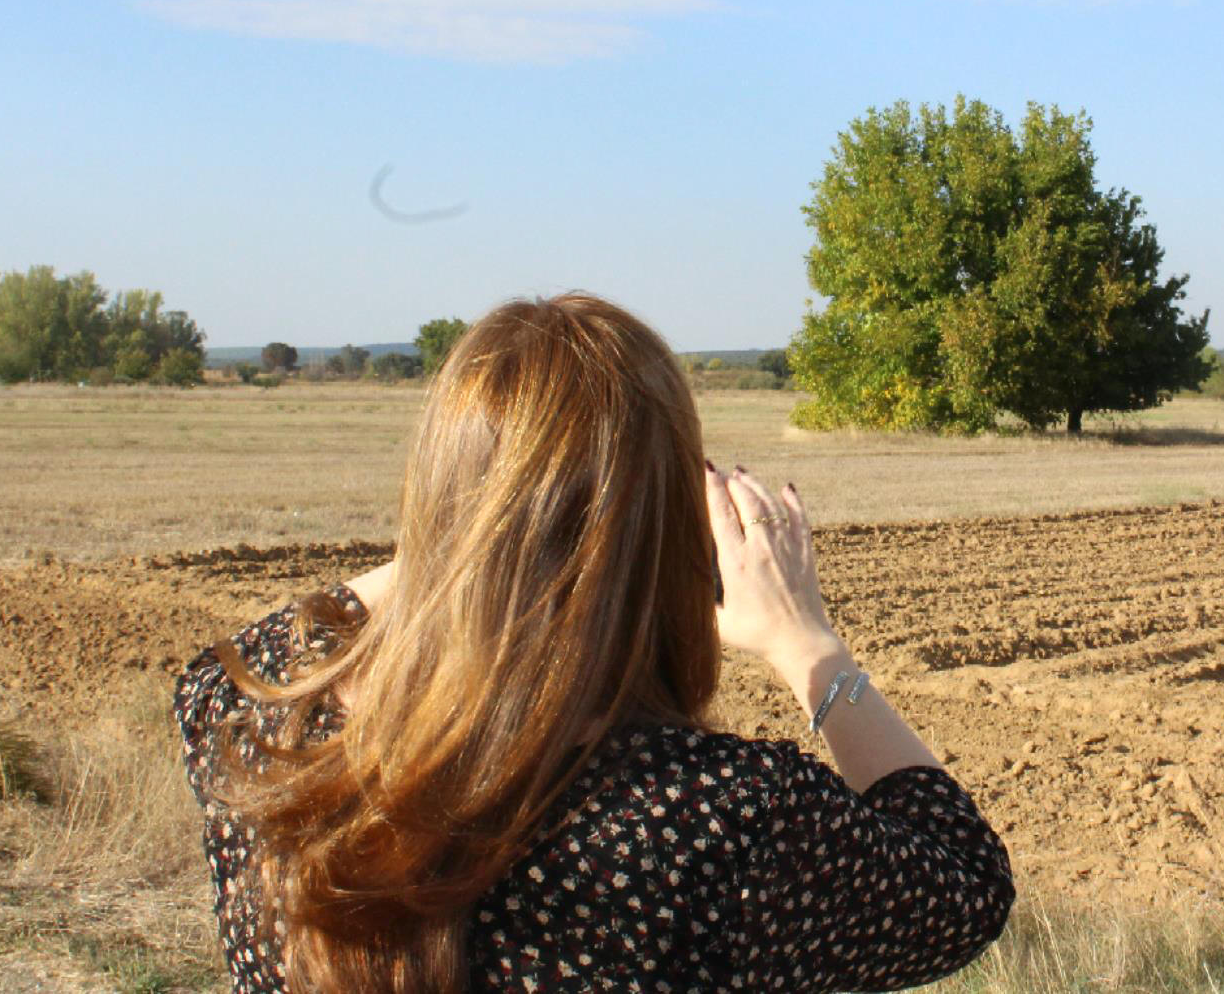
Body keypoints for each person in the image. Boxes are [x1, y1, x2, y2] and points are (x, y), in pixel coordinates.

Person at [174, 294, 1015, 993]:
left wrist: (468, 528)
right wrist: (811, 647)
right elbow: (965, 885)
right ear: (670, 524)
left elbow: (247, 651)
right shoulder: (716, 818)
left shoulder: (262, 729)